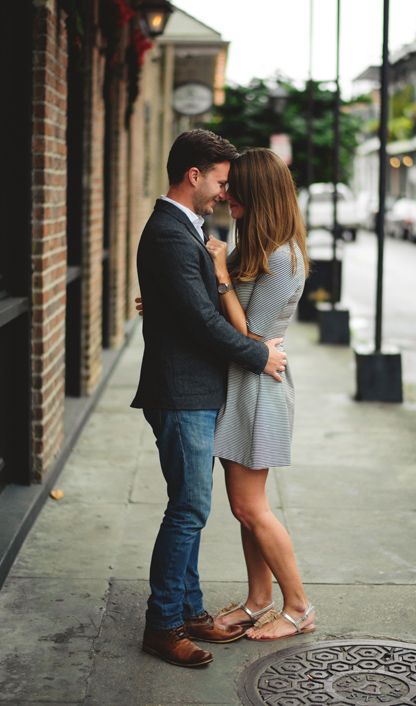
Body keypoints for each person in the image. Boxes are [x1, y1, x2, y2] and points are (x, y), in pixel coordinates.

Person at [132, 130, 288, 667]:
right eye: (220, 181)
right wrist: (258, 356)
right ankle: (162, 623)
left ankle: (190, 608)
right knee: (189, 509)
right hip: (181, 391)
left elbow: (188, 302)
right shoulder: (171, 234)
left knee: (190, 508)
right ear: (193, 176)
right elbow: (201, 319)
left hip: (194, 388)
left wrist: (163, 299)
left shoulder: (184, 230)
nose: (224, 192)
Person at [204, 147, 316, 641]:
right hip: (237, 386)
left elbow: (251, 338)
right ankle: (258, 600)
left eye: (235, 186)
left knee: (251, 507)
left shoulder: (282, 257)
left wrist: (221, 275)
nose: (225, 193)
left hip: (258, 390)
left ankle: (298, 607)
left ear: (259, 192)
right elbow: (216, 312)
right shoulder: (251, 245)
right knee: (243, 506)